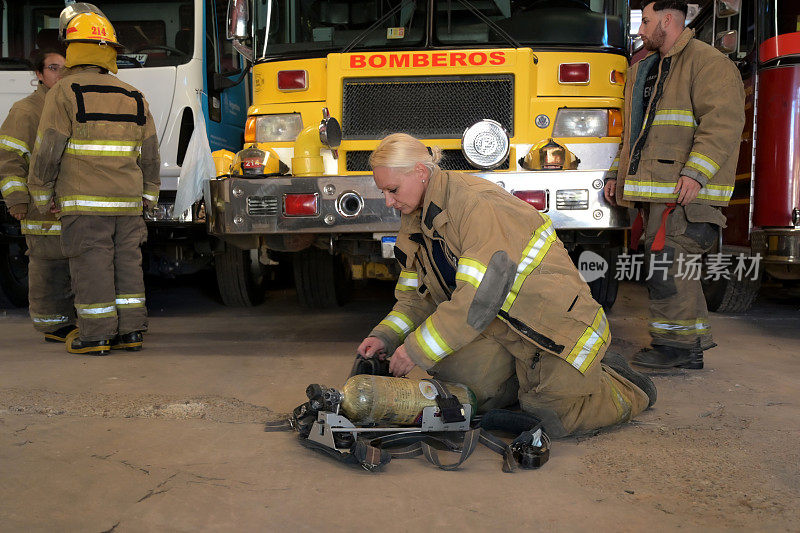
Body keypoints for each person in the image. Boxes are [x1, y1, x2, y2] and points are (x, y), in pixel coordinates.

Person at [357, 133, 657, 438]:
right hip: (502, 325)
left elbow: (477, 300)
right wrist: (386, 336)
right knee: (466, 390)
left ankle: (620, 383)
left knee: (553, 418)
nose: (388, 201)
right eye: (383, 192)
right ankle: (533, 381)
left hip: (553, 327)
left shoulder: (474, 205)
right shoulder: (416, 217)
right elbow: (416, 297)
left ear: (420, 172)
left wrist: (414, 351)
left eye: (392, 190)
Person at [603, 0, 745, 370]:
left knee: (668, 267)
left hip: (686, 193)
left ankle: (675, 348)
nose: (640, 30)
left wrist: (696, 173)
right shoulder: (649, 69)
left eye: (646, 21)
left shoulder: (707, 62)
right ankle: (690, 344)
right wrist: (615, 177)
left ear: (668, 20)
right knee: (676, 270)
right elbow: (636, 136)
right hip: (663, 191)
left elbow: (724, 123)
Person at [28, 3, 161, 355]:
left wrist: (41, 196)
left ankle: (97, 335)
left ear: (72, 49)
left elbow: (47, 150)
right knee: (127, 265)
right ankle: (132, 332)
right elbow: (150, 153)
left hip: (84, 204)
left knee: (93, 264)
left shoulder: (63, 92)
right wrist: (149, 195)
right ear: (110, 52)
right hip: (129, 203)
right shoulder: (133, 95)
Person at [0, 46, 77, 342]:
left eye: (67, 68)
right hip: (38, 209)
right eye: (54, 68)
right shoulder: (26, 110)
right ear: (39, 74)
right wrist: (17, 200)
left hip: (70, 206)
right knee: (48, 269)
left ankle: (74, 321)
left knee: (76, 268)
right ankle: (53, 326)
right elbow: (8, 158)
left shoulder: (73, 105)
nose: (61, 74)